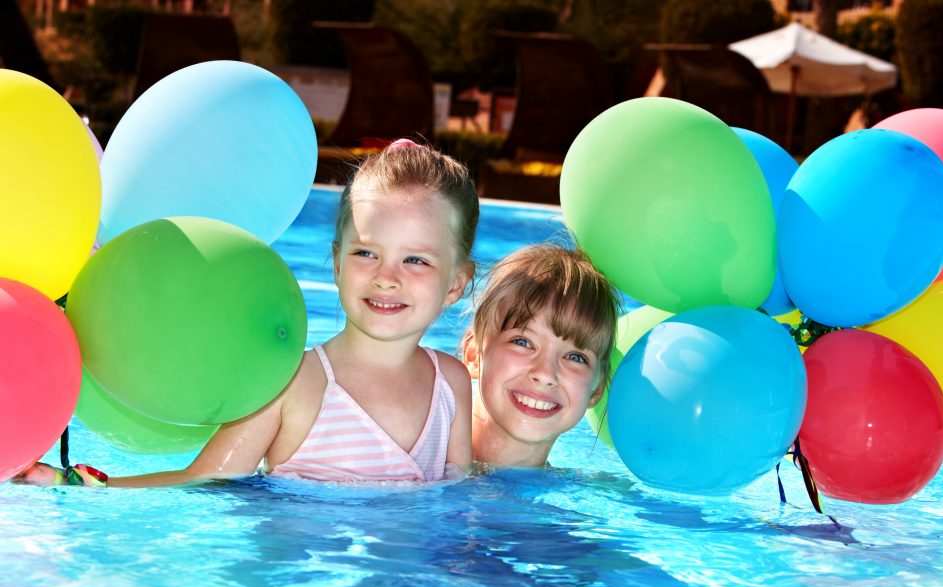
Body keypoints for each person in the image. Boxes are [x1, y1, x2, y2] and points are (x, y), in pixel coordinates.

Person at [23, 139, 478, 487]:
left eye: (415, 260)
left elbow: (461, 507)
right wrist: (75, 484)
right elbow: (204, 478)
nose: (386, 277)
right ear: (337, 263)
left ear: (456, 283)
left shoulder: (451, 385)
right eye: (366, 253)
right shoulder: (288, 381)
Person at [461, 244, 619, 468]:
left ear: (597, 388)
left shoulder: (587, 495)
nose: (545, 374)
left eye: (575, 357)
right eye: (523, 342)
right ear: (473, 353)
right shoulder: (408, 456)